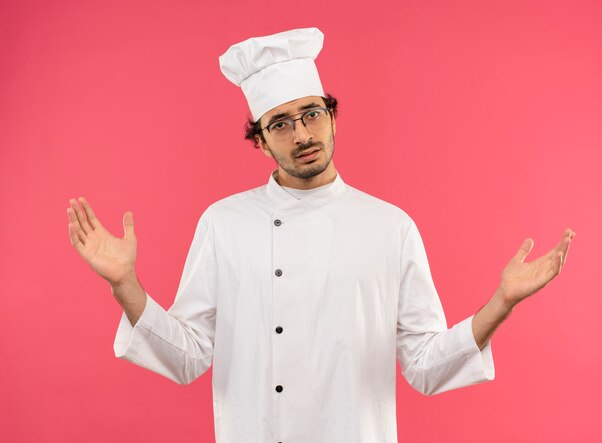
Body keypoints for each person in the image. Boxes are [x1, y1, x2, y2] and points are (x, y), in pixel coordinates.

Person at [67, 27, 575, 443]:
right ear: (262, 143)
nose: (303, 135)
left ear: (332, 118)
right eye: (281, 124)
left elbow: (424, 365)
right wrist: (124, 284)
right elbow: (188, 357)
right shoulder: (223, 223)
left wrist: (502, 302)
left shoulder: (389, 227)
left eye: (312, 114)